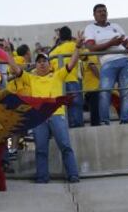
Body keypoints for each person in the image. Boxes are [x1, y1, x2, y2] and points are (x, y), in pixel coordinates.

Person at [6, 32, 84, 183]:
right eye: (39, 61)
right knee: (41, 149)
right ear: (35, 65)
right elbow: (15, 69)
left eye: (44, 61)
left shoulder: (57, 75)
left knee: (65, 146)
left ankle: (73, 175)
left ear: (49, 64)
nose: (42, 63)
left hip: (57, 114)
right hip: (39, 117)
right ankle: (42, 177)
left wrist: (78, 48)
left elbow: (72, 63)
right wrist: (9, 52)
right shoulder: (31, 78)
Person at [84, 4, 128, 125]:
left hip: (125, 60)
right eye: (99, 11)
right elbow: (91, 48)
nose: (102, 13)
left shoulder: (116, 26)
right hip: (107, 63)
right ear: (94, 15)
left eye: (104, 11)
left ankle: (125, 121)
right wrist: (111, 43)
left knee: (126, 92)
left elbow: (127, 44)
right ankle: (105, 121)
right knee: (105, 92)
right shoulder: (90, 28)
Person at [50, 26, 83, 127]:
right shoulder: (74, 46)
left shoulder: (53, 52)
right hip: (72, 80)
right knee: (76, 106)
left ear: (60, 37)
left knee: (62, 108)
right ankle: (77, 128)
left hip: (58, 84)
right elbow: (86, 56)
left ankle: (65, 128)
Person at [81, 53, 101, 126]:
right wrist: (101, 79)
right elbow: (92, 66)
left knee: (93, 108)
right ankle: (96, 125)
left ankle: (95, 124)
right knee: (95, 109)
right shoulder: (90, 53)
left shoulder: (85, 55)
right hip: (93, 87)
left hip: (87, 86)